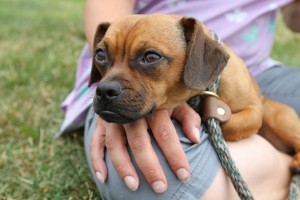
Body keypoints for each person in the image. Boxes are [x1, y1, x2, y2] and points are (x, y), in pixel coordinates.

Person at [59, 0, 300, 199]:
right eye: (103, 56)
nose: (107, 85)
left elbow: (294, 19)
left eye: (149, 57)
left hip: (255, 73)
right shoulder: (114, 79)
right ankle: (276, 165)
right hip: (174, 90)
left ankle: (263, 166)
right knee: (155, 181)